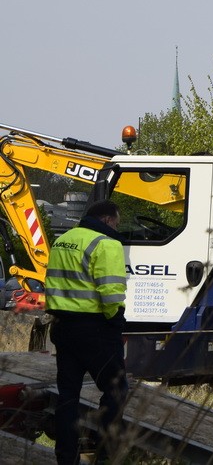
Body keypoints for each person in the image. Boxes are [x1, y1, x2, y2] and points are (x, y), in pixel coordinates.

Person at [44, 199, 130, 465]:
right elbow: (111, 292)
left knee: (67, 397)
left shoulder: (63, 240)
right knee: (116, 392)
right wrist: (116, 321)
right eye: (115, 223)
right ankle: (105, 455)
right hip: (95, 330)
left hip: (62, 327)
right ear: (106, 220)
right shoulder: (106, 244)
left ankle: (66, 458)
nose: (116, 228)